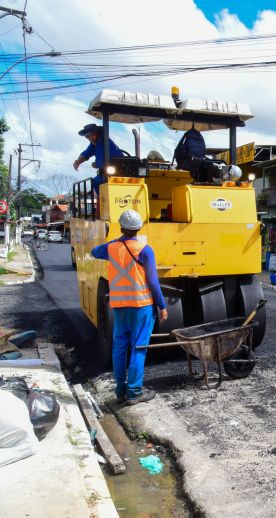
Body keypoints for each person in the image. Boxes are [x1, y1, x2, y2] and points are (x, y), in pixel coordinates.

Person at [91, 210, 167, 406]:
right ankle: (134, 392)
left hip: (119, 306)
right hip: (141, 307)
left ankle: (120, 391)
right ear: (139, 228)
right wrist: (162, 306)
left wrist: (118, 239)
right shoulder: (145, 250)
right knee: (138, 348)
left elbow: (94, 252)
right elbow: (153, 281)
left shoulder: (111, 248)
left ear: (122, 227)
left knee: (119, 348)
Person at [73, 123, 124, 196]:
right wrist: (77, 162)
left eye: (91, 135)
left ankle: (102, 201)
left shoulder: (103, 143)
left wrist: (96, 164)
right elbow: (86, 153)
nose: (90, 138)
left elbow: (101, 161)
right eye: (87, 136)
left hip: (117, 172)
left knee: (95, 182)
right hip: (114, 171)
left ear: (97, 133)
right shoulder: (95, 143)